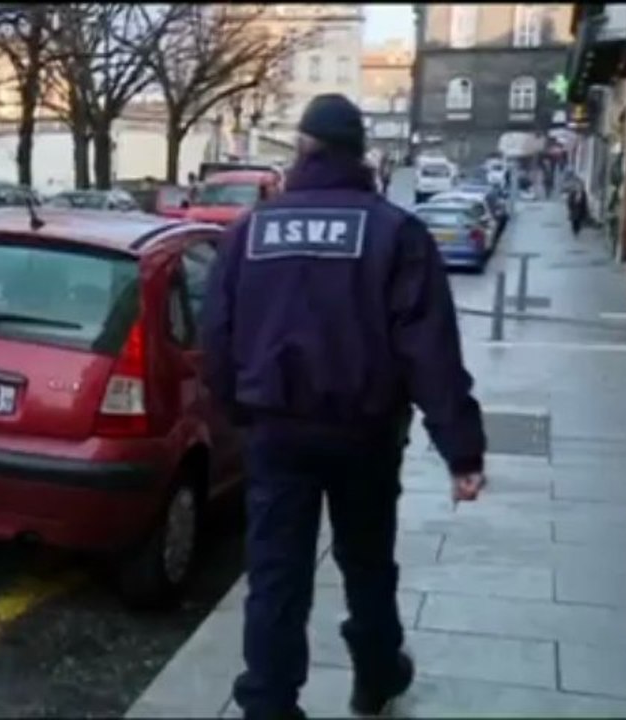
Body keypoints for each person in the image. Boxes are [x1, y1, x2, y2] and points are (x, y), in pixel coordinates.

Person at [202, 94, 488, 720]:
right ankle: (377, 674)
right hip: (365, 434)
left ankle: (269, 703)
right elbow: (430, 351)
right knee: (367, 562)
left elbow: (216, 336)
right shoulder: (395, 232)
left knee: (276, 574)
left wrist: (238, 414)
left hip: (276, 431)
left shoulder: (250, 232)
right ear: (361, 155)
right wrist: (461, 450)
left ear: (302, 150)